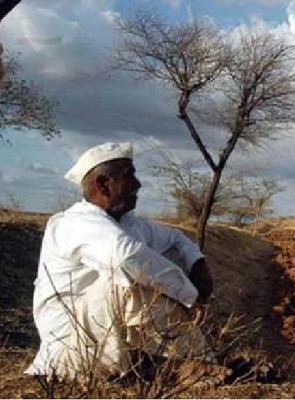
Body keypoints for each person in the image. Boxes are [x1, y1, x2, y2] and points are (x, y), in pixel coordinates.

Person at [25, 142, 215, 379]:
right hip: (71, 350)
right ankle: (194, 364)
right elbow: (126, 257)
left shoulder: (127, 223)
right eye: (129, 176)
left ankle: (194, 362)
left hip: (104, 340)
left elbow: (176, 238)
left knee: (160, 266)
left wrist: (198, 265)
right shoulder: (74, 223)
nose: (137, 184)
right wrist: (191, 296)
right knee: (127, 280)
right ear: (103, 184)